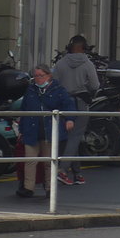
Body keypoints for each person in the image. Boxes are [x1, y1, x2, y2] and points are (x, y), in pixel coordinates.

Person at [16, 64, 76, 198]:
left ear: (49, 76)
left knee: (49, 162)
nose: (38, 78)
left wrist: (70, 119)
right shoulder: (30, 90)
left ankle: (50, 188)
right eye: (35, 76)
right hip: (32, 130)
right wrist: (21, 129)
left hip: (50, 131)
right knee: (30, 161)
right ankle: (28, 188)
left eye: (41, 75)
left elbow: (69, 105)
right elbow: (24, 110)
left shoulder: (59, 90)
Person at [51, 34, 100, 185]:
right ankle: (63, 170)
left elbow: (53, 83)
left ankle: (77, 173)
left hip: (63, 103)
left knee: (70, 137)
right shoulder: (87, 64)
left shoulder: (60, 63)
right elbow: (95, 86)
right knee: (75, 137)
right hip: (79, 103)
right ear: (84, 48)